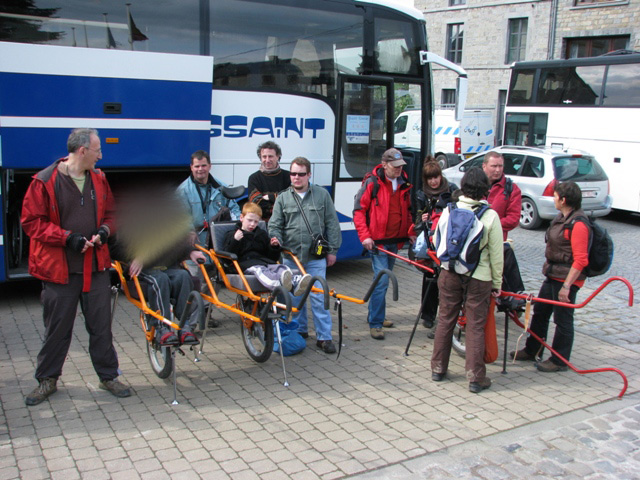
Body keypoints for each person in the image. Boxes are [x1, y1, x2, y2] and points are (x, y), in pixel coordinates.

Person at [21, 128, 131, 406]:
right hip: (59, 271)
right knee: (57, 330)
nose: (101, 155)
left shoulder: (99, 179)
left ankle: (108, 376)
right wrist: (66, 238)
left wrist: (105, 230)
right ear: (83, 151)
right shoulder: (44, 181)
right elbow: (31, 222)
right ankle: (47, 380)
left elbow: (111, 214)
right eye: (98, 150)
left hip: (94, 268)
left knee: (101, 327)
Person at [430, 167, 504, 394]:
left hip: (449, 272)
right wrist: (497, 284)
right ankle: (475, 378)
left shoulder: (449, 210)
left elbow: (435, 239)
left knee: (445, 320)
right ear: (485, 189)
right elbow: (496, 255)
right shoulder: (490, 216)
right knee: (475, 326)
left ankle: (438, 369)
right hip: (479, 278)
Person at [110, 187, 207, 345]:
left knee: (183, 276)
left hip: (167, 266)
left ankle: (185, 326)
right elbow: (114, 248)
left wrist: (190, 252)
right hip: (144, 268)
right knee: (159, 279)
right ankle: (163, 328)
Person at [510, 181, 589, 372]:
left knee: (563, 320)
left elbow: (581, 260)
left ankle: (559, 360)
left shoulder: (578, 225)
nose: (553, 199)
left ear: (563, 199)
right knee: (541, 313)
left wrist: (567, 286)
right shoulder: (563, 217)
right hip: (554, 275)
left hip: (566, 280)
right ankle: (532, 350)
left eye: (555, 196)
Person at [269, 157, 342, 353]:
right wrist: (275, 237)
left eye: (301, 174)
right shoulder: (283, 198)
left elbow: (332, 224)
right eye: (293, 174)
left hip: (316, 258)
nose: (297, 177)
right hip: (291, 257)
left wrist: (333, 251)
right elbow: (274, 224)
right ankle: (300, 331)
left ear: (309, 174)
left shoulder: (322, 195)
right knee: (294, 298)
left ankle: (324, 337)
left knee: (319, 298)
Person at [353, 148, 415, 340]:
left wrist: (411, 233)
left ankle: (375, 314)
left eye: (400, 166)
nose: (398, 170)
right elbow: (358, 211)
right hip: (378, 242)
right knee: (382, 280)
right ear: (384, 164)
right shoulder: (373, 183)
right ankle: (376, 323)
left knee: (381, 281)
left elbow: (408, 211)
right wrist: (365, 237)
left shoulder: (404, 182)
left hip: (394, 241)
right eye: (394, 166)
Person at [223, 203, 312, 293]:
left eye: (256, 222)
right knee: (260, 270)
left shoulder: (261, 234)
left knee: (281, 268)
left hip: (264, 261)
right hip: (244, 264)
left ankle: (295, 282)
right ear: (241, 218)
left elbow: (271, 258)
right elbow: (226, 258)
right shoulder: (232, 234)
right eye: (249, 220)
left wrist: (273, 247)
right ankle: (279, 284)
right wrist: (235, 240)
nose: (252, 224)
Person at [413, 157, 457, 331]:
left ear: (440, 175)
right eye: (430, 178)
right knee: (430, 278)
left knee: (447, 280)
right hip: (430, 241)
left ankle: (447, 315)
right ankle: (428, 315)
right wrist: (422, 218)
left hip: (448, 239)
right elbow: (415, 221)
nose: (433, 181)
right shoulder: (421, 194)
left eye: (436, 177)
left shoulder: (451, 190)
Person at [177, 150, 241, 250]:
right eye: (197, 166)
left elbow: (234, 209)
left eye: (204, 165)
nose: (200, 169)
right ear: (191, 167)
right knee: (196, 265)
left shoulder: (222, 187)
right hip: (195, 241)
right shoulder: (183, 191)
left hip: (218, 239)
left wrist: (238, 227)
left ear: (210, 166)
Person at [482, 151, 522, 240]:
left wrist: (491, 225)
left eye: (500, 166)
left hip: (497, 240)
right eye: (494, 166)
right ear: (484, 166)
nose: (498, 170)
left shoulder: (512, 189)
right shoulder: (475, 184)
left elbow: (513, 218)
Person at [248, 141, 291, 221]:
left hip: (286, 223)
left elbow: (292, 199)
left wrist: (271, 197)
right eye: (264, 157)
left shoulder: (289, 176)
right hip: (262, 224)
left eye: (270, 156)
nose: (267, 160)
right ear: (260, 158)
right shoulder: (254, 178)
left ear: (278, 156)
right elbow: (256, 204)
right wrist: (279, 201)